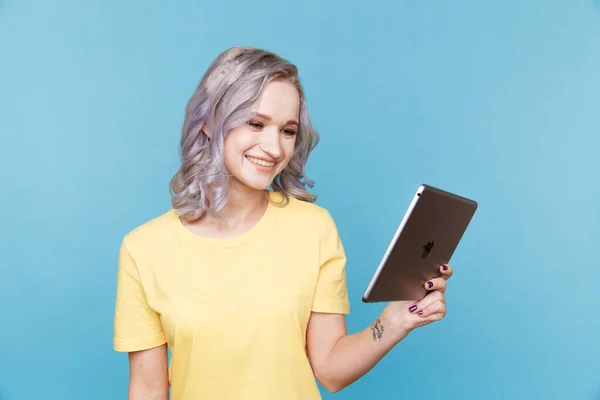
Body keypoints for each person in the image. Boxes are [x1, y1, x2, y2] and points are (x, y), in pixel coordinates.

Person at [113, 46, 453, 400]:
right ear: (209, 123)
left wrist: (396, 320)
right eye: (255, 123)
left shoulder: (313, 229)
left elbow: (331, 371)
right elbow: (148, 388)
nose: (274, 147)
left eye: (287, 131)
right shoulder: (144, 250)